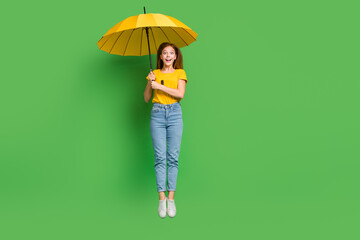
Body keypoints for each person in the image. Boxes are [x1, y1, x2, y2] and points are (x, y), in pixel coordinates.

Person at [144, 42, 188, 218]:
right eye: (165, 53)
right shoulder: (154, 74)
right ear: (160, 57)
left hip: (175, 114)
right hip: (157, 114)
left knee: (173, 157)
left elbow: (180, 94)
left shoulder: (180, 73)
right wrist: (150, 82)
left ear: (176, 56)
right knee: (160, 157)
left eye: (171, 52)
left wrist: (160, 87)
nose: (168, 55)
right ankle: (161, 199)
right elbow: (147, 98)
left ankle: (172, 198)